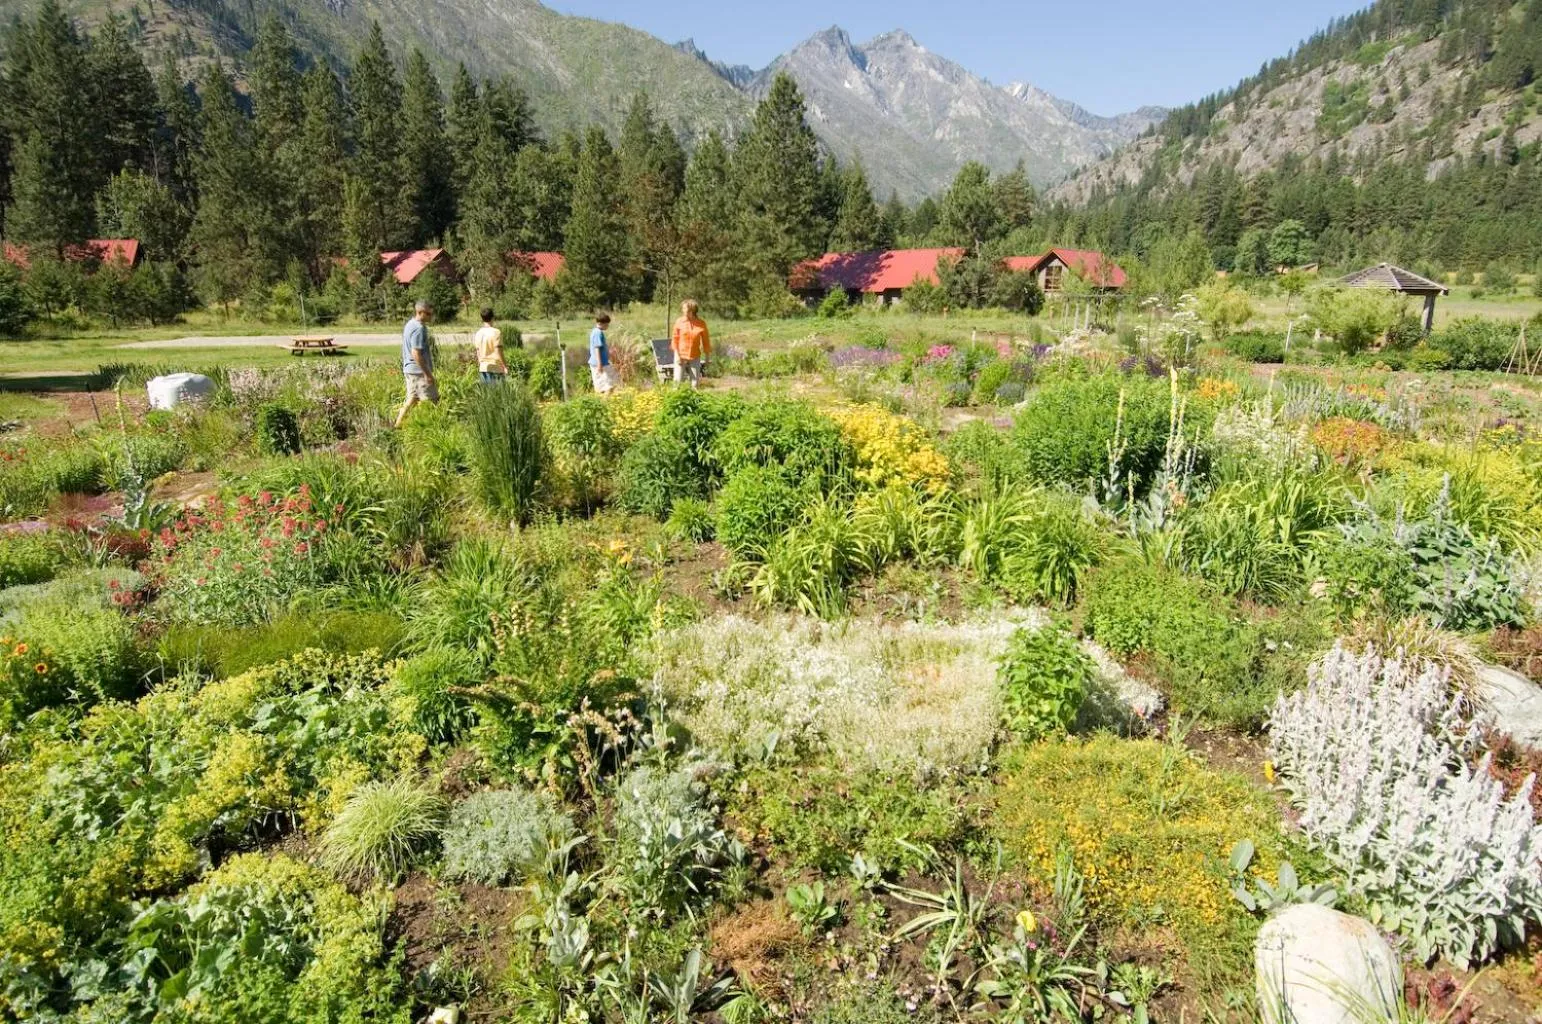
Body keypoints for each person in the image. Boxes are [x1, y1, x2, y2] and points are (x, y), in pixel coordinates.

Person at [395, 300, 436, 427]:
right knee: (432, 399)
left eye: (431, 313)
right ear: (420, 312)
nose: (430, 316)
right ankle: (429, 427)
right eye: (428, 314)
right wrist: (427, 374)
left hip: (409, 369)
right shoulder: (419, 328)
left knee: (413, 398)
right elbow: (416, 353)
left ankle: (398, 425)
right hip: (418, 371)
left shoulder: (410, 324)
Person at [671, 299, 710, 388]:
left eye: (685, 308)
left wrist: (707, 357)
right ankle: (676, 400)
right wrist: (677, 355)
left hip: (695, 355)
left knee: (695, 383)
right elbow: (675, 339)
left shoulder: (701, 323)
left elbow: (706, 341)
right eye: (683, 308)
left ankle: (693, 400)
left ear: (692, 310)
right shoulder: (679, 322)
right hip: (680, 355)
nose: (683, 310)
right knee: (677, 382)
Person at [474, 307, 506, 384]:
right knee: (498, 394)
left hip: (483, 368)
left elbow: (478, 352)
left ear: (482, 318)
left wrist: (480, 364)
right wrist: (505, 366)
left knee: (486, 395)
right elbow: (498, 351)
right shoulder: (496, 332)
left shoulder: (478, 333)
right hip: (496, 368)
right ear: (493, 317)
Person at [589, 313, 615, 395]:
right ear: (601, 323)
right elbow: (597, 348)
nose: (608, 326)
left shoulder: (595, 331)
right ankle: (604, 405)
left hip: (601, 363)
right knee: (609, 387)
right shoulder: (598, 333)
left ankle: (602, 404)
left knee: (604, 387)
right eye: (607, 324)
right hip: (599, 364)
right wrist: (600, 364)